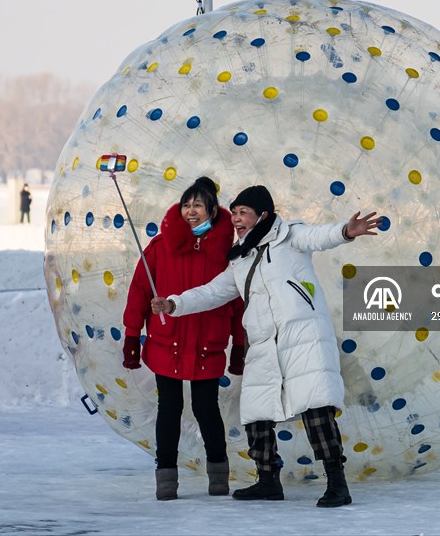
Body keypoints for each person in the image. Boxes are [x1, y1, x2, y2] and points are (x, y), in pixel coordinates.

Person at [152, 185, 382, 508]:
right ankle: (268, 480)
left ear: (263, 214)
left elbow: (321, 236)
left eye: (242, 212)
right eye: (233, 214)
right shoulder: (240, 260)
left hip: (303, 338)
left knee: (316, 410)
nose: (236, 220)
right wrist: (174, 304)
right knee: (257, 413)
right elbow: (211, 292)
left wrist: (346, 231)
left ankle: (337, 483)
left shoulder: (291, 237)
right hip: (262, 345)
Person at [122, 177, 245, 501]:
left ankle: (218, 474)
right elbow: (139, 292)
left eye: (199, 205)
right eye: (187, 204)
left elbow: (236, 301)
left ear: (212, 212)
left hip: (208, 343)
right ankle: (166, 480)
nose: (192, 211)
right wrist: (132, 336)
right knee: (169, 407)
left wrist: (240, 345)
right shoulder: (160, 248)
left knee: (207, 409)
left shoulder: (226, 254)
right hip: (167, 341)